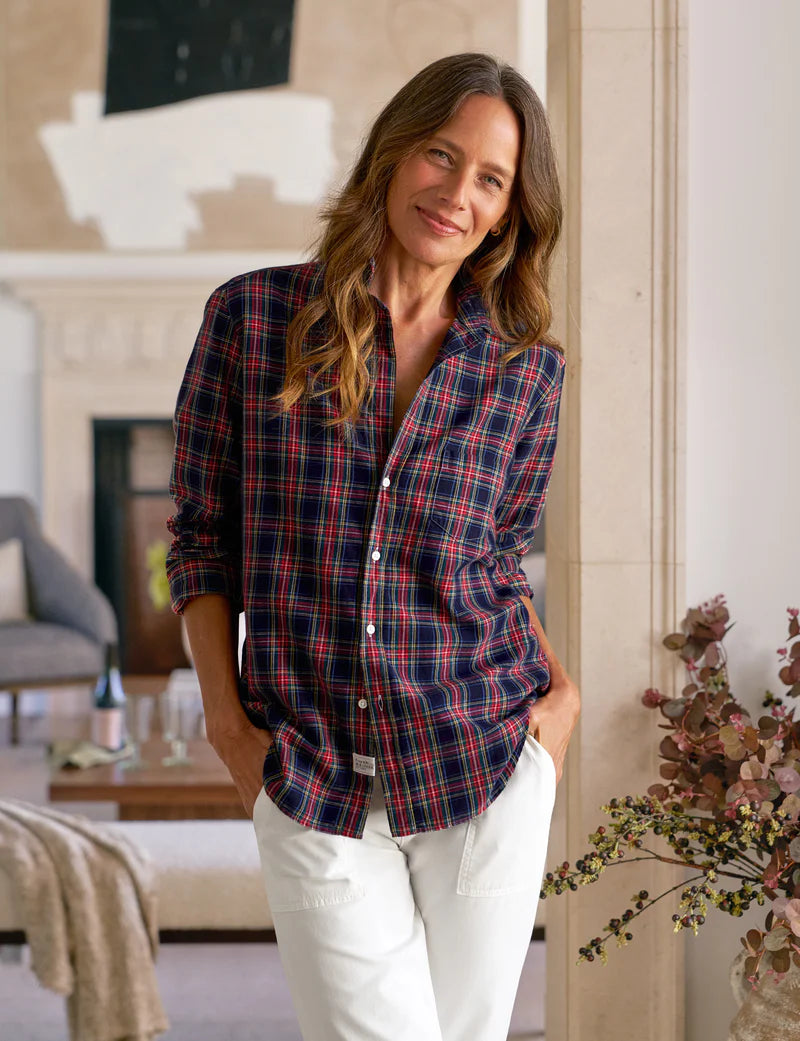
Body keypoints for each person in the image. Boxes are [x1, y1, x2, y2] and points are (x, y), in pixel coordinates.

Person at [167, 51, 580, 1041]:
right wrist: (230, 731)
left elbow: (498, 555)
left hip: (482, 761)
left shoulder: (524, 371)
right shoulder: (252, 320)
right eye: (441, 155)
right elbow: (199, 543)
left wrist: (555, 707)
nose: (456, 193)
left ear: (511, 211)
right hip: (309, 769)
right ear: (392, 155)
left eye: (490, 179)